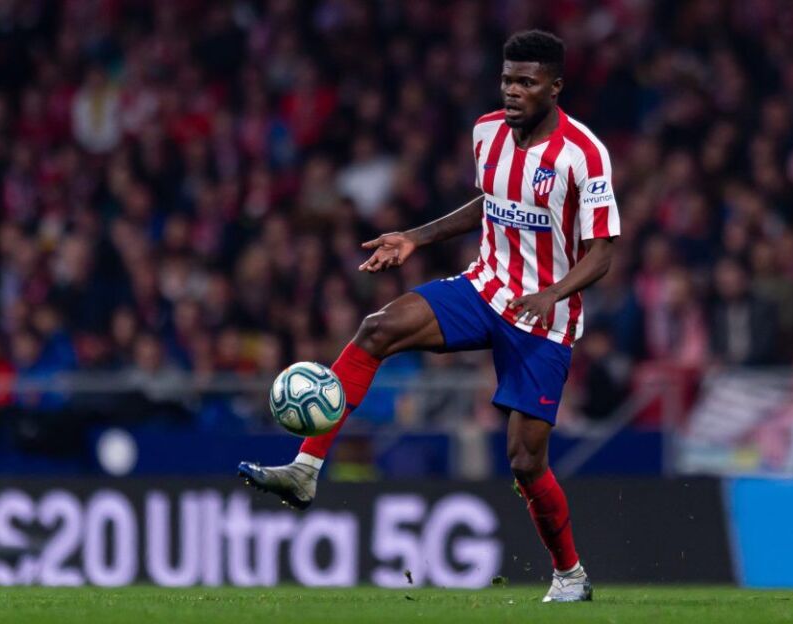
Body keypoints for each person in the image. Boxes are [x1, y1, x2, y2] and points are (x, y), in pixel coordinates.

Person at [238, 30, 619, 603]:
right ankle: (305, 470)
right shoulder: (487, 132)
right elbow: (491, 202)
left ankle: (570, 575)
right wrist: (415, 237)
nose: (513, 91)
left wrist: (553, 293)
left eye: (527, 82)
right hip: (484, 287)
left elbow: (603, 252)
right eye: (507, 80)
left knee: (524, 460)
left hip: (545, 318)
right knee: (377, 328)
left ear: (555, 87)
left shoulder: (583, 155)